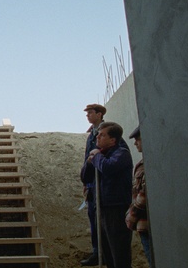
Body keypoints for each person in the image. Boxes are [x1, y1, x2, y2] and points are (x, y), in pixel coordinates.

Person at [82, 122, 133, 268]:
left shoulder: (121, 153)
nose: (97, 137)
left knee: (119, 252)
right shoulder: (100, 155)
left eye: (102, 135)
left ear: (113, 140)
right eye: (98, 134)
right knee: (107, 252)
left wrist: (97, 157)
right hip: (102, 208)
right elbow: (85, 177)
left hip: (116, 209)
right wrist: (90, 161)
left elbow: (109, 167)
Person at [79, 103, 107, 266]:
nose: (88, 115)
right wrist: (86, 180)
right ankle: (97, 252)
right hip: (92, 182)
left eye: (91, 113)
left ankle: (105, 253)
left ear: (99, 114)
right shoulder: (91, 135)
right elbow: (86, 159)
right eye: (87, 113)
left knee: (102, 219)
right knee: (93, 218)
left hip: (102, 182)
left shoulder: (105, 132)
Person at [125, 126, 154, 267]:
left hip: (147, 222)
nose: (135, 143)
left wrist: (131, 216)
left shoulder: (150, 164)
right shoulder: (143, 163)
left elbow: (143, 197)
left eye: (138, 139)